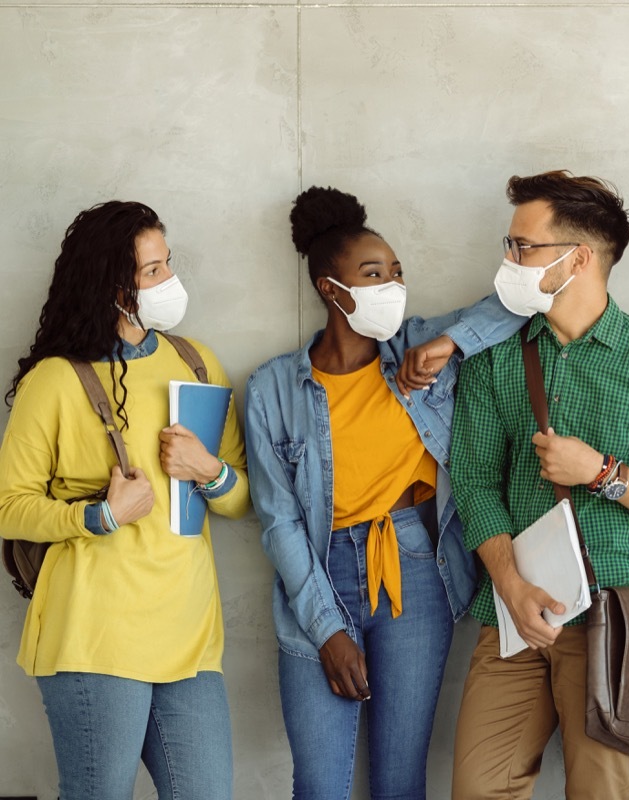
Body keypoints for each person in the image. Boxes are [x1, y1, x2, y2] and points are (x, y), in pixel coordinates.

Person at [243, 186, 527, 800]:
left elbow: (521, 306)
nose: (391, 287)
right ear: (330, 287)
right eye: (373, 274)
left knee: (400, 781)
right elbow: (277, 521)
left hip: (416, 571)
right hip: (317, 579)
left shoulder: (416, 347)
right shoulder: (272, 389)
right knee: (319, 786)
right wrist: (326, 629)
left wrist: (448, 345)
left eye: (397, 273)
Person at [448, 170, 629, 799]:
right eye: (509, 246)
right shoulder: (496, 360)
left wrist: (600, 473)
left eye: (523, 247)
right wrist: (509, 585)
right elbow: (475, 481)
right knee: (476, 789)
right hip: (511, 614)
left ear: (579, 258)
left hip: (615, 618)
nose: (508, 261)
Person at [0, 201, 250, 800]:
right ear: (113, 286)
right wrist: (101, 515)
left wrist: (209, 471)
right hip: (94, 632)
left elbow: (240, 499)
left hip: (187, 634)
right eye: (153, 271)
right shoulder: (55, 381)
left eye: (168, 264)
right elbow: (10, 506)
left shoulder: (196, 362)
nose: (170, 282)